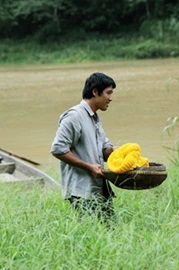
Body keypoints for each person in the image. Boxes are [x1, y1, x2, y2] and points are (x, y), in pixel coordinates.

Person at [51, 72, 117, 223]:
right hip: (81, 191)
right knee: (89, 235)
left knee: (111, 232)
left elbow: (103, 150)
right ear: (95, 92)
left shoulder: (94, 117)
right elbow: (58, 149)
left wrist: (115, 151)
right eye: (108, 93)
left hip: (99, 188)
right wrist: (89, 167)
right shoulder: (74, 116)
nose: (110, 98)